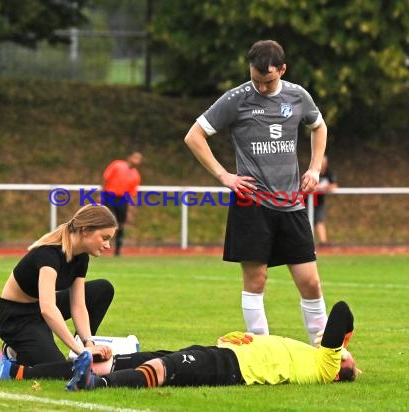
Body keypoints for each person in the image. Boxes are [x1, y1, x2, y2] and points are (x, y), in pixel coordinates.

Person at [184, 39, 329, 345]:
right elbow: (194, 136)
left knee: (311, 282)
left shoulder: (298, 96)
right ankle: (260, 348)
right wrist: (224, 175)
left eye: (269, 81)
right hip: (251, 203)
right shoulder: (237, 99)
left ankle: (324, 348)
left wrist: (315, 168)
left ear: (283, 70)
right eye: (256, 80)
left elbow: (319, 126)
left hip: (291, 203)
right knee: (256, 280)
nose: (261, 88)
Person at [66, 301, 358, 391]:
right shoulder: (315, 358)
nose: (349, 357)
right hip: (226, 355)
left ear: (338, 369)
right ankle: (25, 372)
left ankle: (96, 384)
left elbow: (342, 311)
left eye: (349, 359)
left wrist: (344, 341)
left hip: (233, 368)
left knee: (163, 368)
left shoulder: (325, 366)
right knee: (138, 357)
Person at [0, 204, 118, 380]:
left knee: (102, 289)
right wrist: (82, 351)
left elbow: (78, 305)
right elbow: (47, 308)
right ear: (85, 230)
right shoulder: (49, 254)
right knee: (62, 370)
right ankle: (12, 353)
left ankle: (75, 355)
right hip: (16, 317)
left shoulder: (81, 256)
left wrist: (88, 344)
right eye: (105, 238)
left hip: (39, 308)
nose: (108, 245)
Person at [102, 151, 143, 256]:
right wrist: (102, 195)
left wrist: (130, 209)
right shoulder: (117, 165)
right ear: (130, 157)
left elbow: (132, 193)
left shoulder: (136, 175)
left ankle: (118, 250)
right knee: (106, 221)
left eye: (138, 159)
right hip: (109, 195)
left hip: (122, 199)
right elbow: (106, 179)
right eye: (135, 157)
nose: (136, 161)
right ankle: (100, 246)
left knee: (121, 224)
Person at [314, 156, 338, 246]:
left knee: (319, 220)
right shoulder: (313, 171)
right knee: (307, 221)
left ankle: (323, 242)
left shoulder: (329, 173)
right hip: (307, 201)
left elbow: (334, 186)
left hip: (319, 201)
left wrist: (324, 187)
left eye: (324, 163)